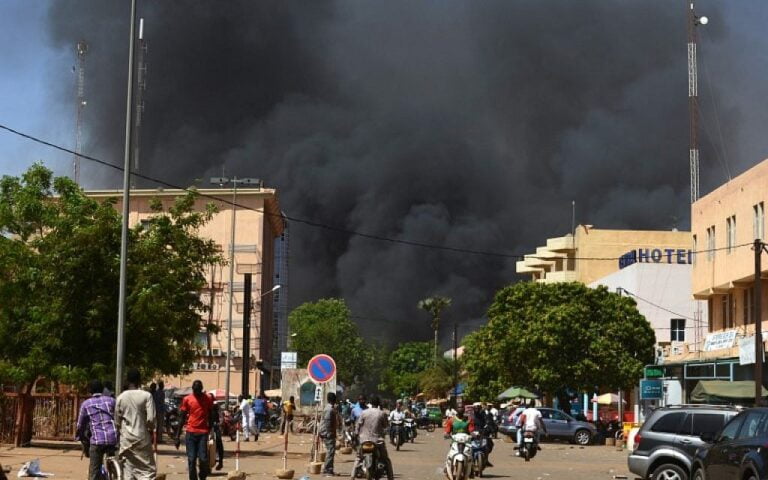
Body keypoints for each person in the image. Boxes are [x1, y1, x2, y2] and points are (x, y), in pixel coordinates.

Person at [115, 368, 157, 479]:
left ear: (127, 380)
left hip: (126, 440)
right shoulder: (146, 396)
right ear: (139, 380)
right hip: (142, 437)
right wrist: (150, 430)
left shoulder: (121, 397)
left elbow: (117, 421)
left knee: (128, 471)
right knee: (147, 471)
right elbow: (151, 419)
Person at [76, 379, 118, 480]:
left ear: (90, 391)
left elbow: (80, 425)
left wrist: (79, 436)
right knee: (114, 457)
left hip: (98, 440)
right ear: (102, 390)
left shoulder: (86, 404)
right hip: (114, 438)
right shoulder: (111, 400)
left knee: (94, 471)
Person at [176, 380, 214, 480]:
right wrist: (177, 436)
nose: (197, 392)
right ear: (193, 389)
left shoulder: (208, 398)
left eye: (198, 390)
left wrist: (211, 429)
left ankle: (202, 476)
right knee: (191, 459)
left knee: (203, 459)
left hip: (203, 433)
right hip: (191, 433)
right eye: (195, 390)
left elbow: (211, 414)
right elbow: (182, 418)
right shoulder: (187, 399)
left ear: (201, 389)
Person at [352, 396, 393, 480]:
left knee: (358, 458)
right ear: (378, 403)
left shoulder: (364, 413)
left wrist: (356, 434)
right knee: (386, 460)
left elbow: (358, 425)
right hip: (377, 441)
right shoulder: (381, 413)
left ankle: (352, 475)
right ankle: (390, 477)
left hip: (364, 440)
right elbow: (385, 426)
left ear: (370, 403)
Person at [319, 392, 339, 477]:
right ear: (334, 400)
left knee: (331, 451)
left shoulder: (330, 408)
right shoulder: (329, 409)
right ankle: (327, 470)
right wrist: (329, 433)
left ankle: (330, 469)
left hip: (328, 432)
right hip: (327, 433)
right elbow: (327, 422)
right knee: (330, 451)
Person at [208, 393, 225, 471]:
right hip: (206, 427)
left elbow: (221, 416)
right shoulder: (204, 405)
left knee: (218, 442)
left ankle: (220, 461)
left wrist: (219, 423)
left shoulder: (216, 406)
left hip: (215, 427)